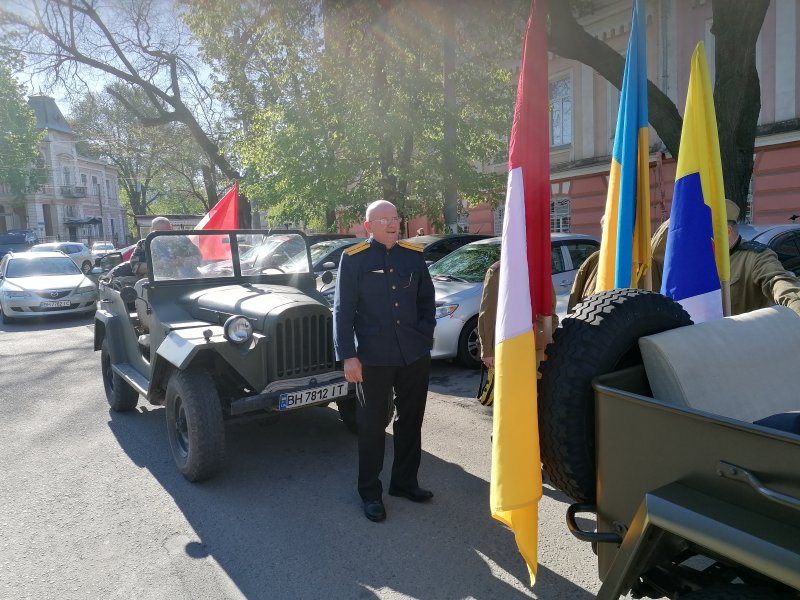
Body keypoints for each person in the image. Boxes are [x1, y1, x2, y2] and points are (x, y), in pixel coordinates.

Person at [333, 199, 436, 522]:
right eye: (383, 219)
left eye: (395, 217)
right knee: (372, 425)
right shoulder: (353, 259)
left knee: (411, 420)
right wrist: (348, 355)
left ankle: (404, 482)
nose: (392, 223)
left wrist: (424, 336)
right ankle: (370, 491)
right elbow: (343, 311)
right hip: (373, 358)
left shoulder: (413, 256)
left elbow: (427, 301)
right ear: (368, 226)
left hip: (413, 354)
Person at [478, 260, 558, 370]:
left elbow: (488, 313)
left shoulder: (500, 270)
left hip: (512, 344)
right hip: (537, 340)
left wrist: (487, 350)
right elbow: (551, 307)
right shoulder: (539, 264)